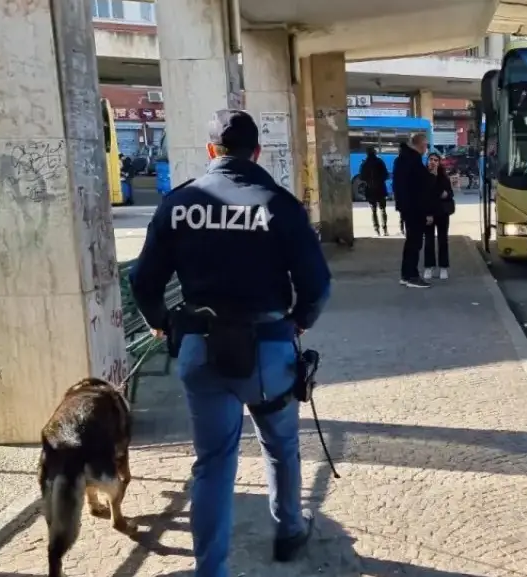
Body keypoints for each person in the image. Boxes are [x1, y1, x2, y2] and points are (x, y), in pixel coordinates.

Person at [128, 109, 331, 577]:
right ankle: (288, 532)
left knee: (213, 463)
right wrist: (300, 321)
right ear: (257, 152)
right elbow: (317, 283)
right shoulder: (278, 204)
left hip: (202, 349)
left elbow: (143, 280)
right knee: (280, 445)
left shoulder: (179, 203)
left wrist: (162, 323)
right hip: (268, 350)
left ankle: (211, 571)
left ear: (210, 152)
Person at [392, 132, 435, 288]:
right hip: (415, 209)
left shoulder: (402, 160)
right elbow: (421, 189)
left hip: (406, 208)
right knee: (415, 243)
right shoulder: (414, 162)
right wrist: (431, 175)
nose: (426, 148)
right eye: (426, 145)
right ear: (420, 145)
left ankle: (405, 275)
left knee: (410, 242)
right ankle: (412, 276)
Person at [423, 153, 454, 280]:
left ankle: (443, 268)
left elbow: (449, 193)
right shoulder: (423, 177)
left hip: (442, 214)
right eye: (431, 159)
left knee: (443, 241)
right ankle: (429, 267)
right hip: (429, 214)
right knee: (429, 241)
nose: (433, 162)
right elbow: (423, 197)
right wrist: (427, 214)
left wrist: (446, 194)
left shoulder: (443, 177)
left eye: (436, 160)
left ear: (439, 163)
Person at [359, 146, 389, 236]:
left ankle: (377, 229)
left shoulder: (364, 164)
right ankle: (385, 229)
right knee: (383, 209)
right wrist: (379, 180)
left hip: (370, 189)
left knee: (374, 210)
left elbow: (361, 177)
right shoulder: (380, 162)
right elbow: (386, 175)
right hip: (380, 189)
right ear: (375, 152)